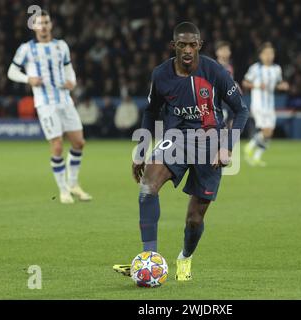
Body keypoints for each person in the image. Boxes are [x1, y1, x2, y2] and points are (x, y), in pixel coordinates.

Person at [113, 22, 249, 281]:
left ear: (199, 45)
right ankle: (149, 258)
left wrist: (226, 146)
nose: (187, 49)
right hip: (175, 139)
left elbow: (241, 109)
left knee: (194, 220)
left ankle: (185, 257)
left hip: (210, 144)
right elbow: (151, 112)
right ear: (173, 45)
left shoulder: (214, 71)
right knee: (147, 188)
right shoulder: (161, 74)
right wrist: (141, 150)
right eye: (182, 44)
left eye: (192, 44)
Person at [7, 10, 92, 204]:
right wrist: (28, 78)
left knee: (79, 142)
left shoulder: (61, 46)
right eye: (40, 23)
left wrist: (72, 82)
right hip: (45, 103)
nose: (43, 26)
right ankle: (63, 190)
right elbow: (11, 71)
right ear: (34, 27)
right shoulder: (27, 49)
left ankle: (73, 184)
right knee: (57, 145)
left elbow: (69, 69)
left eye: (46, 22)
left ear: (51, 25)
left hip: (65, 100)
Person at [242, 42, 289, 166]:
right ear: (260, 55)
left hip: (270, 104)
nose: (269, 56)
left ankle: (256, 156)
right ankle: (250, 146)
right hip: (258, 104)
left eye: (271, 53)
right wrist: (257, 85)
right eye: (266, 53)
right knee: (266, 130)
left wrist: (282, 86)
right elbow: (245, 83)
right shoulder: (255, 68)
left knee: (270, 132)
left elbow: (278, 83)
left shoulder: (276, 69)